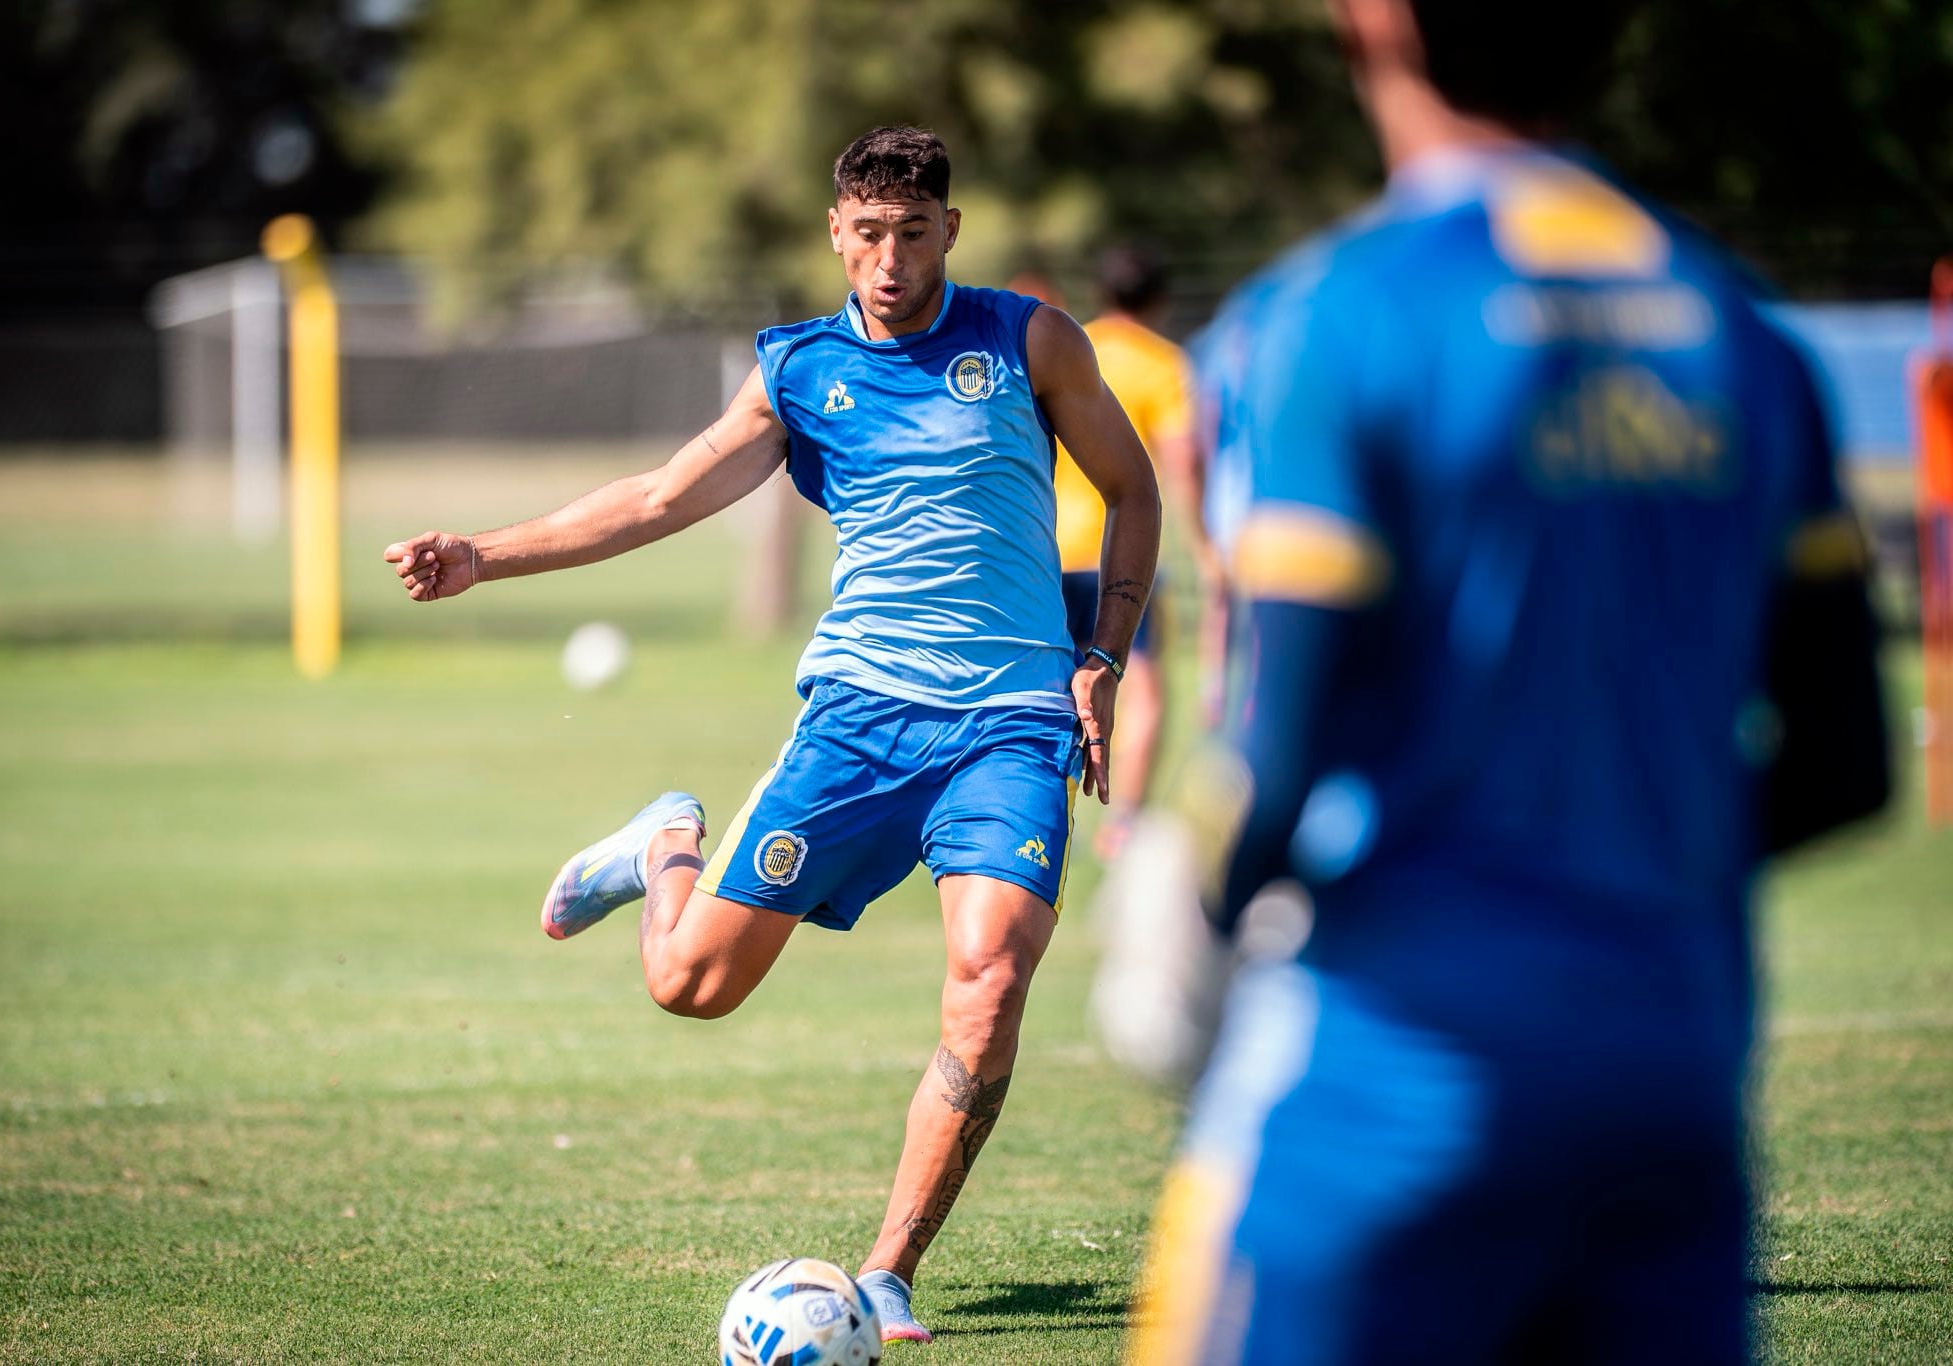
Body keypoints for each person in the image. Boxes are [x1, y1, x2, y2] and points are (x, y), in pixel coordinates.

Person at [1114, 0, 1890, 1361]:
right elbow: (1847, 760)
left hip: (1392, 1079)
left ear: (1377, 26)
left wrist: (1194, 897)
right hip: (1674, 1072)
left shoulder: (1332, 314)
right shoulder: (1739, 330)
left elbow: (1279, 744)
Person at [385, 126, 1161, 1345]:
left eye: (913, 234)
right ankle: (664, 845)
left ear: (948, 232)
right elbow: (655, 497)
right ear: (836, 236)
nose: (891, 260)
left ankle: (890, 1270)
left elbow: (1133, 490)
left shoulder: (1027, 340)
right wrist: (482, 555)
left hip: (1008, 724)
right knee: (687, 986)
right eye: (867, 235)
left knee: (991, 974)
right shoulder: (800, 370)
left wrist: (1102, 657)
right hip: (857, 721)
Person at [1049, 248, 1220, 858]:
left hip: (1048, 550)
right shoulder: (1167, 364)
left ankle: (1037, 816)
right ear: (1160, 301)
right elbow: (1180, 467)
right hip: (1117, 555)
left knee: (1050, 689)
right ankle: (1122, 829)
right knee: (1141, 690)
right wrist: (1206, 545)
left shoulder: (1069, 348)